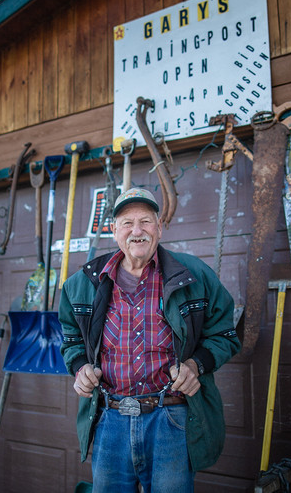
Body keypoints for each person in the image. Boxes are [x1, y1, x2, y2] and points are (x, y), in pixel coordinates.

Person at [59, 187, 241, 492]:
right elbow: (71, 339)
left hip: (171, 417)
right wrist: (80, 368)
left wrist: (196, 366)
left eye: (145, 221)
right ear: (114, 230)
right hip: (110, 418)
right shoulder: (82, 284)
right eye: (127, 223)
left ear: (160, 227)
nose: (137, 231)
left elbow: (225, 334)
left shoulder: (194, 274)